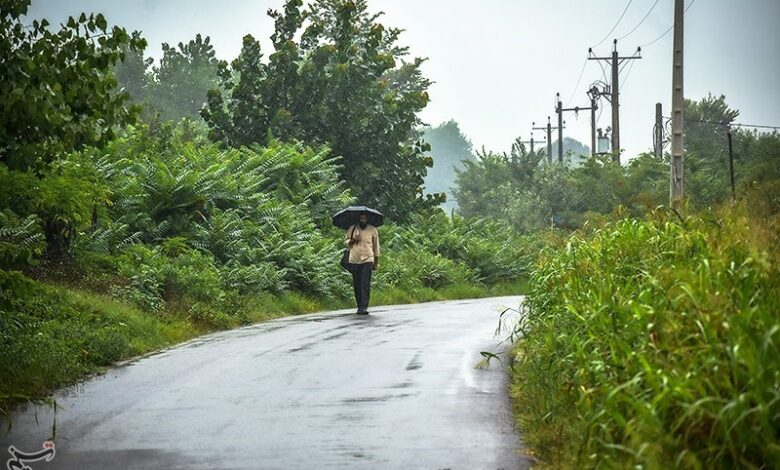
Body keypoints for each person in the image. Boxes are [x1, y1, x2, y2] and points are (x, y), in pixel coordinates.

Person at [344, 212, 380, 314]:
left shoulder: (373, 230)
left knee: (365, 283)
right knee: (357, 283)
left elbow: (376, 246)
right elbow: (345, 241)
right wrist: (353, 240)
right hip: (354, 259)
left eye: (364, 218)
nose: (363, 220)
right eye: (361, 218)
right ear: (359, 219)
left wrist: (376, 262)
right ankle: (359, 305)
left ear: (367, 219)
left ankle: (364, 306)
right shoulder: (353, 228)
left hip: (368, 259)